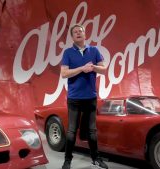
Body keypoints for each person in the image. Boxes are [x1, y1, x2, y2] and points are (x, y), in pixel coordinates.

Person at [61, 24, 108, 169]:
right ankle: (67, 160)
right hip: (74, 98)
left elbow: (104, 70)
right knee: (71, 131)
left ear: (84, 34)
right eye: (75, 32)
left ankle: (96, 158)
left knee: (92, 131)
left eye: (80, 31)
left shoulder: (94, 50)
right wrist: (82, 68)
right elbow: (64, 73)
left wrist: (93, 67)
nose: (78, 33)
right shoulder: (68, 52)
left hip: (90, 98)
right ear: (72, 37)